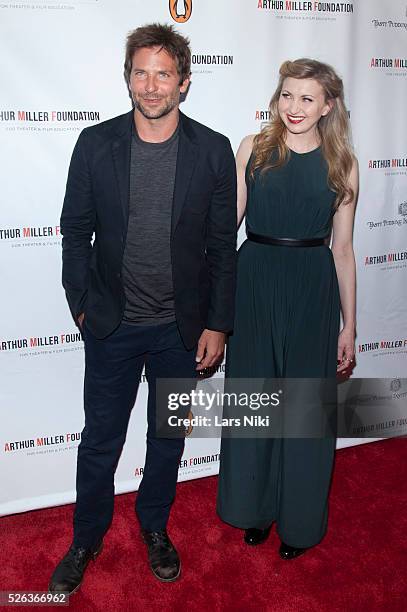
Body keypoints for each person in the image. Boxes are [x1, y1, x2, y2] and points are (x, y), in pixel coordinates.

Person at [49, 23, 236, 592]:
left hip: (181, 332)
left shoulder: (212, 150)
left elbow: (222, 246)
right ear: (127, 77)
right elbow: (74, 230)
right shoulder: (95, 144)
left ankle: (154, 527)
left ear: (184, 82)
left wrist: (218, 324)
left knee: (168, 438)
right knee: (101, 439)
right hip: (112, 326)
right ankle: (86, 536)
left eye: (164, 73)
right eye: (141, 72)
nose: (151, 86)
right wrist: (81, 304)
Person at [217, 59, 358, 559]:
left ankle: (299, 522)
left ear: (327, 105)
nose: (294, 107)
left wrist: (350, 326)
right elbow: (228, 224)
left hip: (311, 285)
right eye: (287, 96)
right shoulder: (253, 149)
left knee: (302, 409)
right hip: (254, 277)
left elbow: (342, 250)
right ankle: (254, 509)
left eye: (306, 98)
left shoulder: (342, 163)